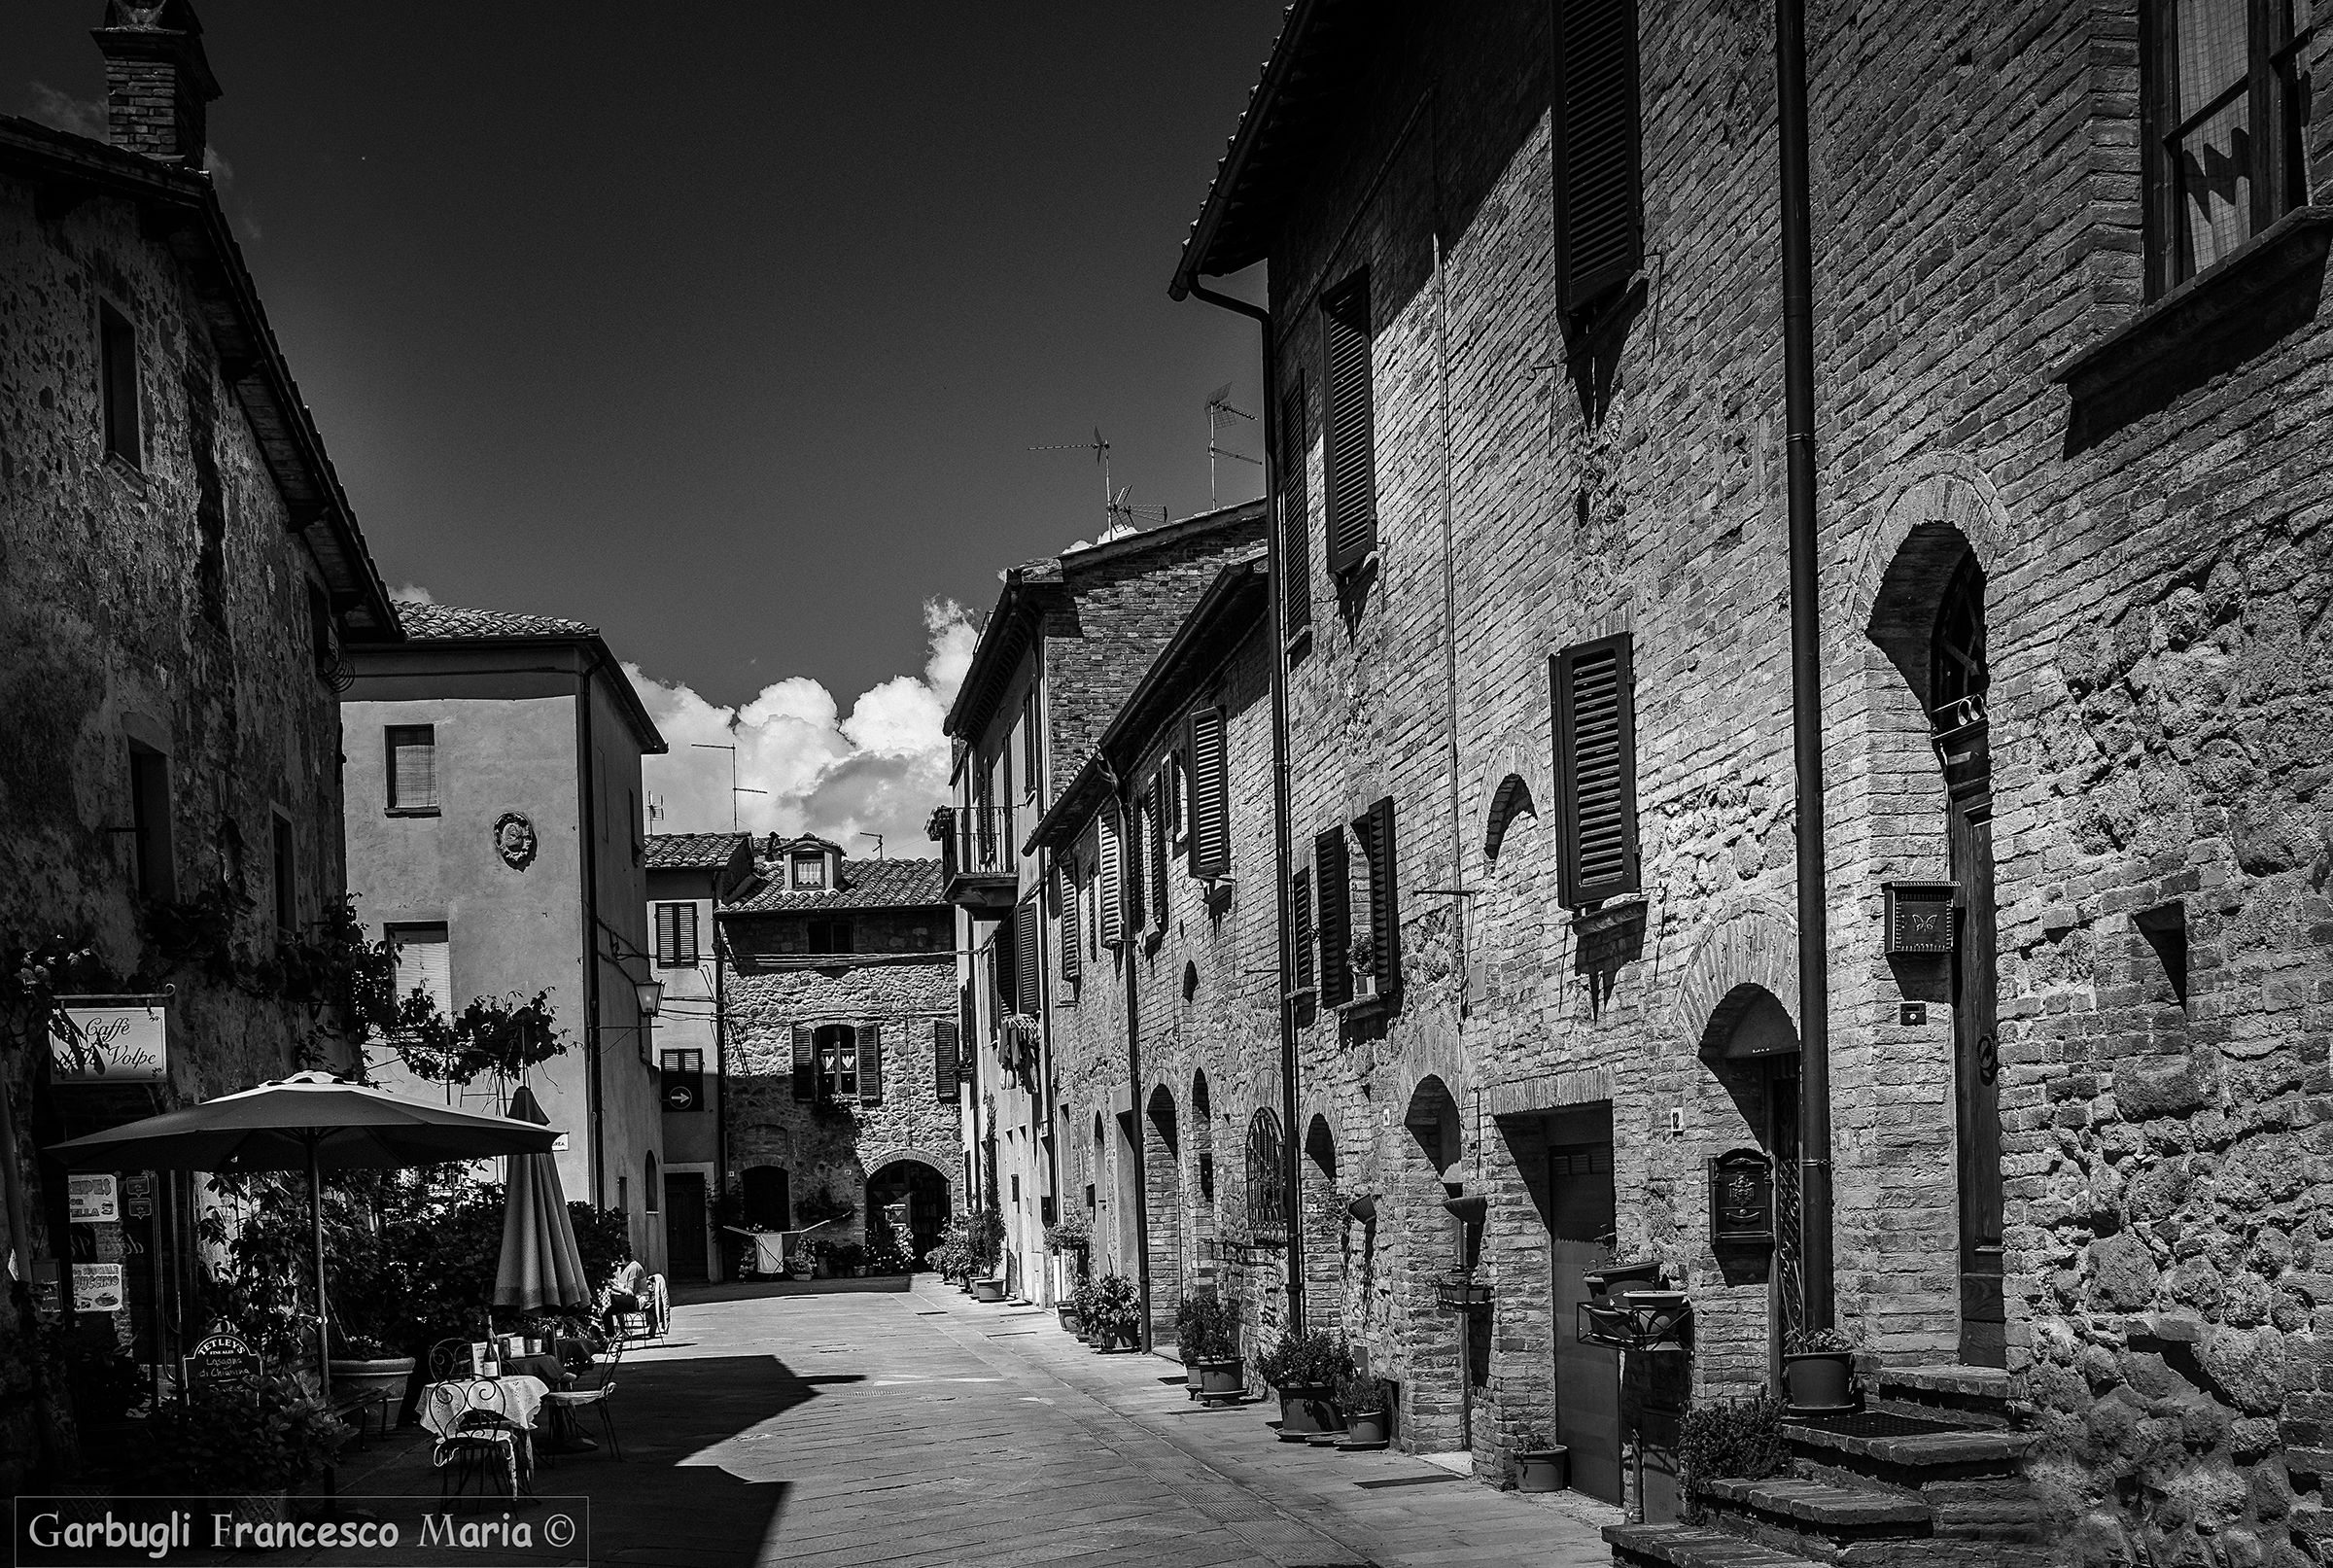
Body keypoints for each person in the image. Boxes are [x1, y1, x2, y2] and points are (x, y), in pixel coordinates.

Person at [599, 1251, 646, 1332]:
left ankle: (621, 1331)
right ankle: (611, 1337)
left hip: (637, 1301)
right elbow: (622, 1286)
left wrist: (613, 1287)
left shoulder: (633, 1268)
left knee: (612, 1299)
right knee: (606, 1314)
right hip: (630, 1299)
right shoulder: (626, 1267)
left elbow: (630, 1292)